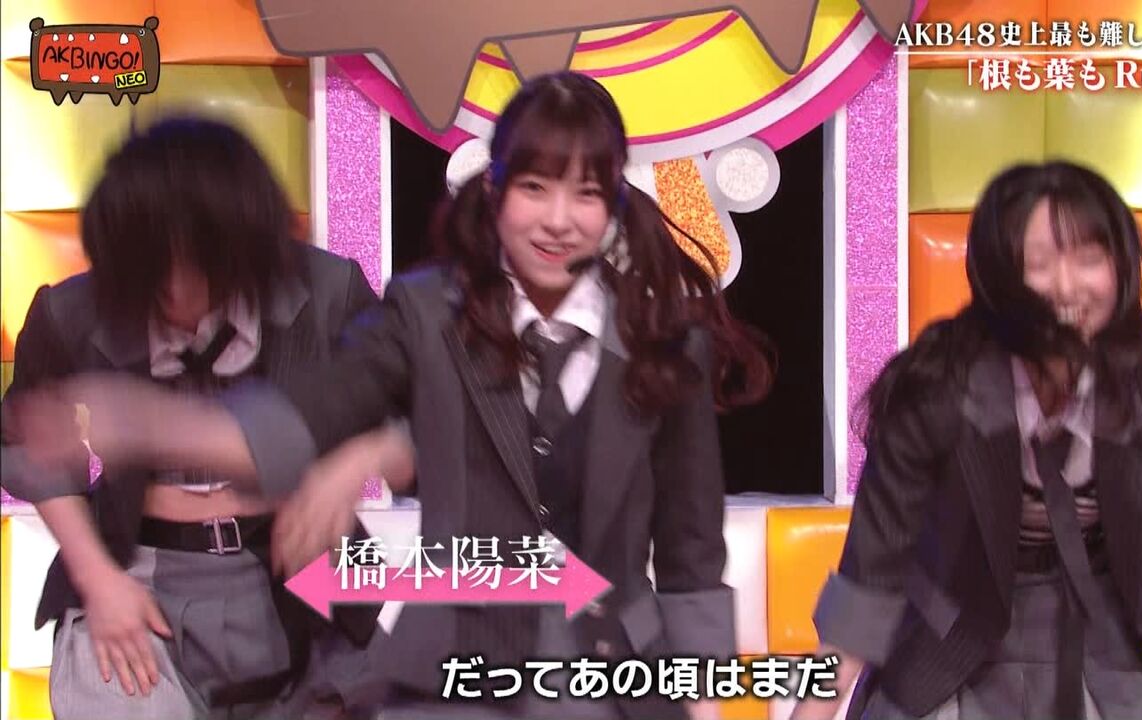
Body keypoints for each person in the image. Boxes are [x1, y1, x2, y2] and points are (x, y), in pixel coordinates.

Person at [11, 72, 775, 720]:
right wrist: (146, 430)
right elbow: (303, 419)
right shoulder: (427, 312)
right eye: (534, 187)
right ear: (495, 193)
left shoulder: (667, 342)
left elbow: (691, 554)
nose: (556, 219)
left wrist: (699, 696)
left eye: (585, 193)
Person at [0, 116, 405, 719]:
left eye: (192, 262)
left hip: (302, 567)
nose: (169, 288)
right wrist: (96, 577)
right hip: (136, 569)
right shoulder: (73, 311)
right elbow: (24, 446)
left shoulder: (328, 290)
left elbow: (416, 409)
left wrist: (345, 470)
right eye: (143, 266)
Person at [791, 161, 1142, 720]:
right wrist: (813, 710)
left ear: (1121, 266)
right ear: (997, 277)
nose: (1066, 286)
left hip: (1098, 638)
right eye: (1038, 263)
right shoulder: (932, 388)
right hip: (949, 639)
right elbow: (869, 578)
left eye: (1088, 258)